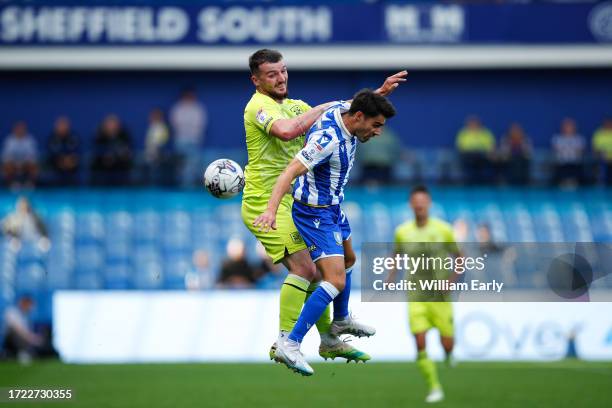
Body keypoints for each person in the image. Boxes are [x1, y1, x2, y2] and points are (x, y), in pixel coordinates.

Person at [241, 48, 407, 365]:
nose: (281, 78)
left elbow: (351, 112)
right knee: (308, 270)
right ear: (256, 80)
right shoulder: (258, 108)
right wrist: (271, 210)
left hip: (304, 197)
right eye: (272, 74)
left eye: (283, 71)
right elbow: (289, 130)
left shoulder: (294, 105)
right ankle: (285, 342)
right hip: (267, 199)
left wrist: (378, 93)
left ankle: (332, 334)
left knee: (340, 264)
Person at [392, 185, 461, 403]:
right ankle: (434, 387)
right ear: (411, 204)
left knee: (447, 343)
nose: (419, 204)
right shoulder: (402, 231)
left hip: (440, 298)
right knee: (420, 341)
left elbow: (459, 258)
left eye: (423, 200)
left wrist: (450, 282)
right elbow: (396, 255)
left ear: (429, 203)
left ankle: (449, 354)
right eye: (416, 201)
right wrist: (390, 278)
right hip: (416, 297)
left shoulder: (444, 229)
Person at [170, 88, 207, 186]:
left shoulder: (198, 108)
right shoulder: (177, 108)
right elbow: (175, 124)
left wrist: (193, 132)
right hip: (180, 140)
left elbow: (200, 124)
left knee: (193, 165)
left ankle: (191, 186)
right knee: (180, 165)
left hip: (194, 140)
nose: (189, 97)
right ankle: (181, 186)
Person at [90, 114, 133, 186]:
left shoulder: (124, 136)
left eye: (113, 124)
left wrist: (116, 157)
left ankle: (124, 186)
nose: (111, 127)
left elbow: (128, 150)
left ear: (118, 126)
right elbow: (96, 150)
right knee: (95, 164)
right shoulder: (99, 137)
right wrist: (105, 157)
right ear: (105, 126)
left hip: (119, 162)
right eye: (109, 125)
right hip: (102, 163)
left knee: (126, 163)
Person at [2, 295, 43, 364]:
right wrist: (31, 338)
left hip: (23, 339)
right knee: (16, 333)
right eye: (29, 305)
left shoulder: (26, 316)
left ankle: (26, 353)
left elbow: (27, 332)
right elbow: (17, 329)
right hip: (10, 340)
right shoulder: (11, 311)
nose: (30, 308)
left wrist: (34, 338)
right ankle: (23, 353)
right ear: (23, 303)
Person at [455, 115, 496, 184]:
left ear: (479, 124)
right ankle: (470, 180)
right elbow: (460, 146)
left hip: (483, 155)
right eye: (471, 123)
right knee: (471, 158)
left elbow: (491, 146)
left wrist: (487, 152)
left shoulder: (486, 133)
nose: (473, 125)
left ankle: (484, 180)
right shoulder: (463, 133)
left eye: (475, 123)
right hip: (468, 156)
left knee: (486, 158)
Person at [1, 121, 39, 189]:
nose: (20, 131)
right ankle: (12, 184)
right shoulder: (9, 141)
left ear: (25, 130)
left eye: (22, 129)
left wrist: (23, 163)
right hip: (13, 164)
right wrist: (16, 163)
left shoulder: (29, 140)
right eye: (18, 129)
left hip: (25, 163)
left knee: (33, 165)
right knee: (8, 165)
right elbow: (6, 157)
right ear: (14, 130)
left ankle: (30, 184)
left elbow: (33, 156)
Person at [551, 118, 585, 186]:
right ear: (563, 128)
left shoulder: (579, 138)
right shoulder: (557, 138)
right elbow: (557, 150)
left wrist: (567, 150)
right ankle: (562, 182)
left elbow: (580, 151)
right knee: (561, 166)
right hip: (562, 162)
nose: (568, 129)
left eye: (570, 127)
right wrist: (569, 150)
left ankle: (574, 182)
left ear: (574, 128)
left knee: (576, 167)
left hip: (575, 162)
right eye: (566, 127)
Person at [47, 116, 80, 186]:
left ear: (68, 127)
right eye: (60, 125)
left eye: (64, 125)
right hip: (56, 163)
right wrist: (62, 160)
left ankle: (73, 187)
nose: (62, 128)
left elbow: (76, 151)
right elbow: (51, 152)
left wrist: (68, 160)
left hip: (71, 164)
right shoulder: (52, 138)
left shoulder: (73, 137)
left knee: (73, 161)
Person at [143, 108, 172, 186]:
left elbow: (162, 143)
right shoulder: (151, 127)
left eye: (154, 116)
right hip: (149, 154)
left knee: (155, 174)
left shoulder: (162, 128)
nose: (151, 117)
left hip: (157, 156)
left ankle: (156, 186)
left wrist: (156, 154)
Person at [592, 117, 612, 185]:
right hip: (603, 157)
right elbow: (596, 148)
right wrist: (602, 153)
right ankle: (601, 182)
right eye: (607, 124)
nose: (609, 125)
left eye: (610, 124)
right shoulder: (599, 133)